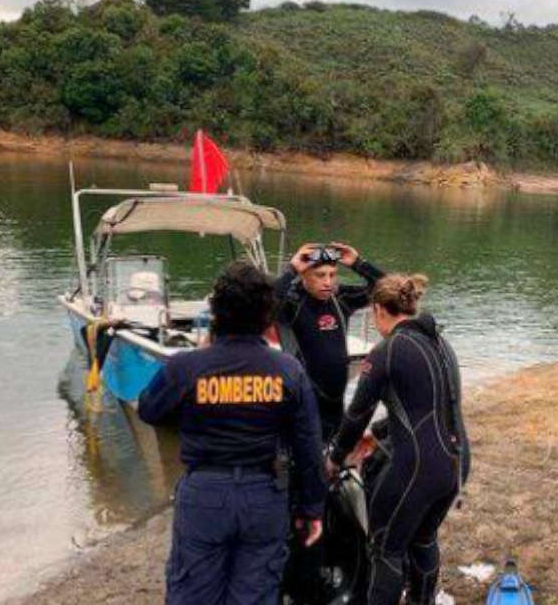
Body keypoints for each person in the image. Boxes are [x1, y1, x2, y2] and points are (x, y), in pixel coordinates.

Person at [138, 261, 325, 604]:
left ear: (215, 312)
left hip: (204, 493)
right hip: (263, 494)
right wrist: (312, 508)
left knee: (193, 591)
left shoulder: (187, 366)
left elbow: (149, 410)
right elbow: (309, 446)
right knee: (256, 591)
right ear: (267, 316)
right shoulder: (288, 369)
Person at [327, 274, 470, 605]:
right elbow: (428, 405)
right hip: (457, 463)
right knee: (423, 538)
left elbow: (356, 414)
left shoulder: (387, 350)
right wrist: (379, 434)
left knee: (386, 547)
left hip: (419, 468)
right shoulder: (441, 342)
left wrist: (334, 460)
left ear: (378, 309)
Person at [275, 242, 385, 440]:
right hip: (304, 402)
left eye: (332, 275)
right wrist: (291, 269)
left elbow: (386, 289)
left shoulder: (340, 298)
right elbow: (264, 301)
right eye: (320, 275)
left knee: (334, 454)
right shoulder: (292, 302)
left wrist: (358, 263)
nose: (328, 282)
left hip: (335, 404)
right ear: (304, 274)